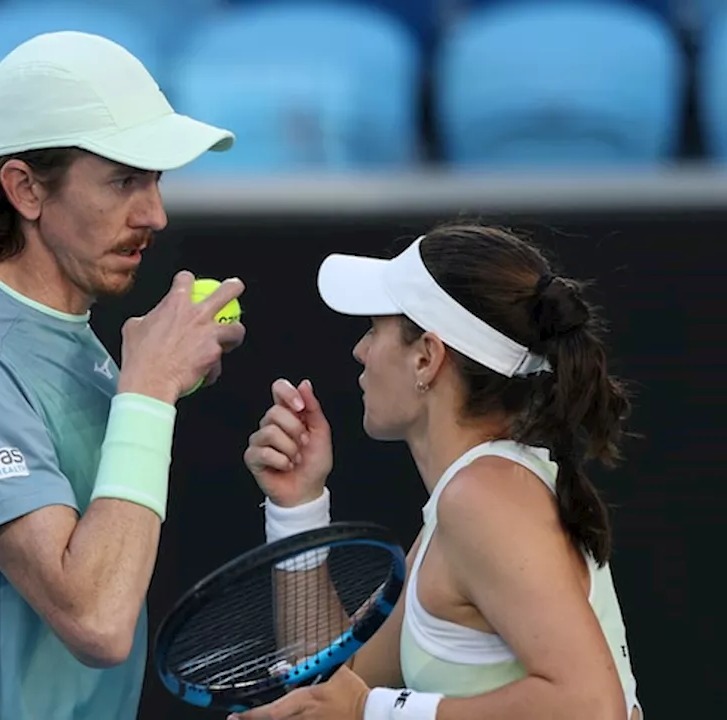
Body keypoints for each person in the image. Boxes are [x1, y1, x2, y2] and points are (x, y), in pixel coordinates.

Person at [0, 31, 246, 719]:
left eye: (155, 180)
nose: (154, 213)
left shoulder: (74, 348)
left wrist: (142, 389)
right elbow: (96, 621)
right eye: (125, 179)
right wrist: (149, 391)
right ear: (25, 189)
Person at [237, 223, 641, 720]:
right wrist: (297, 507)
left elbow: (592, 708)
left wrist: (373, 711)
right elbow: (336, 683)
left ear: (426, 357)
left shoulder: (484, 497)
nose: (360, 351)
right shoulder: (472, 496)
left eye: (374, 329)